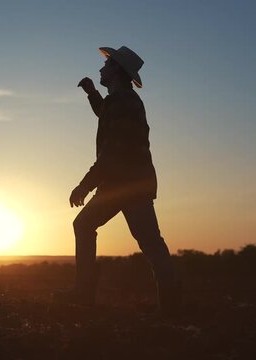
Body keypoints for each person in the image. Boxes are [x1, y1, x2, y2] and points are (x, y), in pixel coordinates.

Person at [53, 46, 181, 314]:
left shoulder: (123, 103)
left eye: (106, 65)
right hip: (133, 184)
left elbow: (112, 153)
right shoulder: (122, 101)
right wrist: (92, 93)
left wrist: (84, 185)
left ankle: (84, 293)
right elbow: (105, 113)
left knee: (88, 226)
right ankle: (170, 304)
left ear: (116, 72)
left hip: (123, 185)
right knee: (149, 242)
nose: (100, 68)